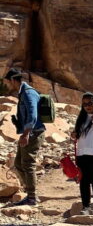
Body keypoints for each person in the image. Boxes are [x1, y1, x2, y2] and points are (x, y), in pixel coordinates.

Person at [5, 68, 45, 207]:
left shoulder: (28, 93)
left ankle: (32, 197)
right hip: (28, 132)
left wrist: (26, 133)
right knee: (18, 163)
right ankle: (30, 194)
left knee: (28, 164)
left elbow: (33, 115)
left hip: (34, 133)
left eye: (8, 82)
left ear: (12, 80)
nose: (8, 85)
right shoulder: (23, 93)